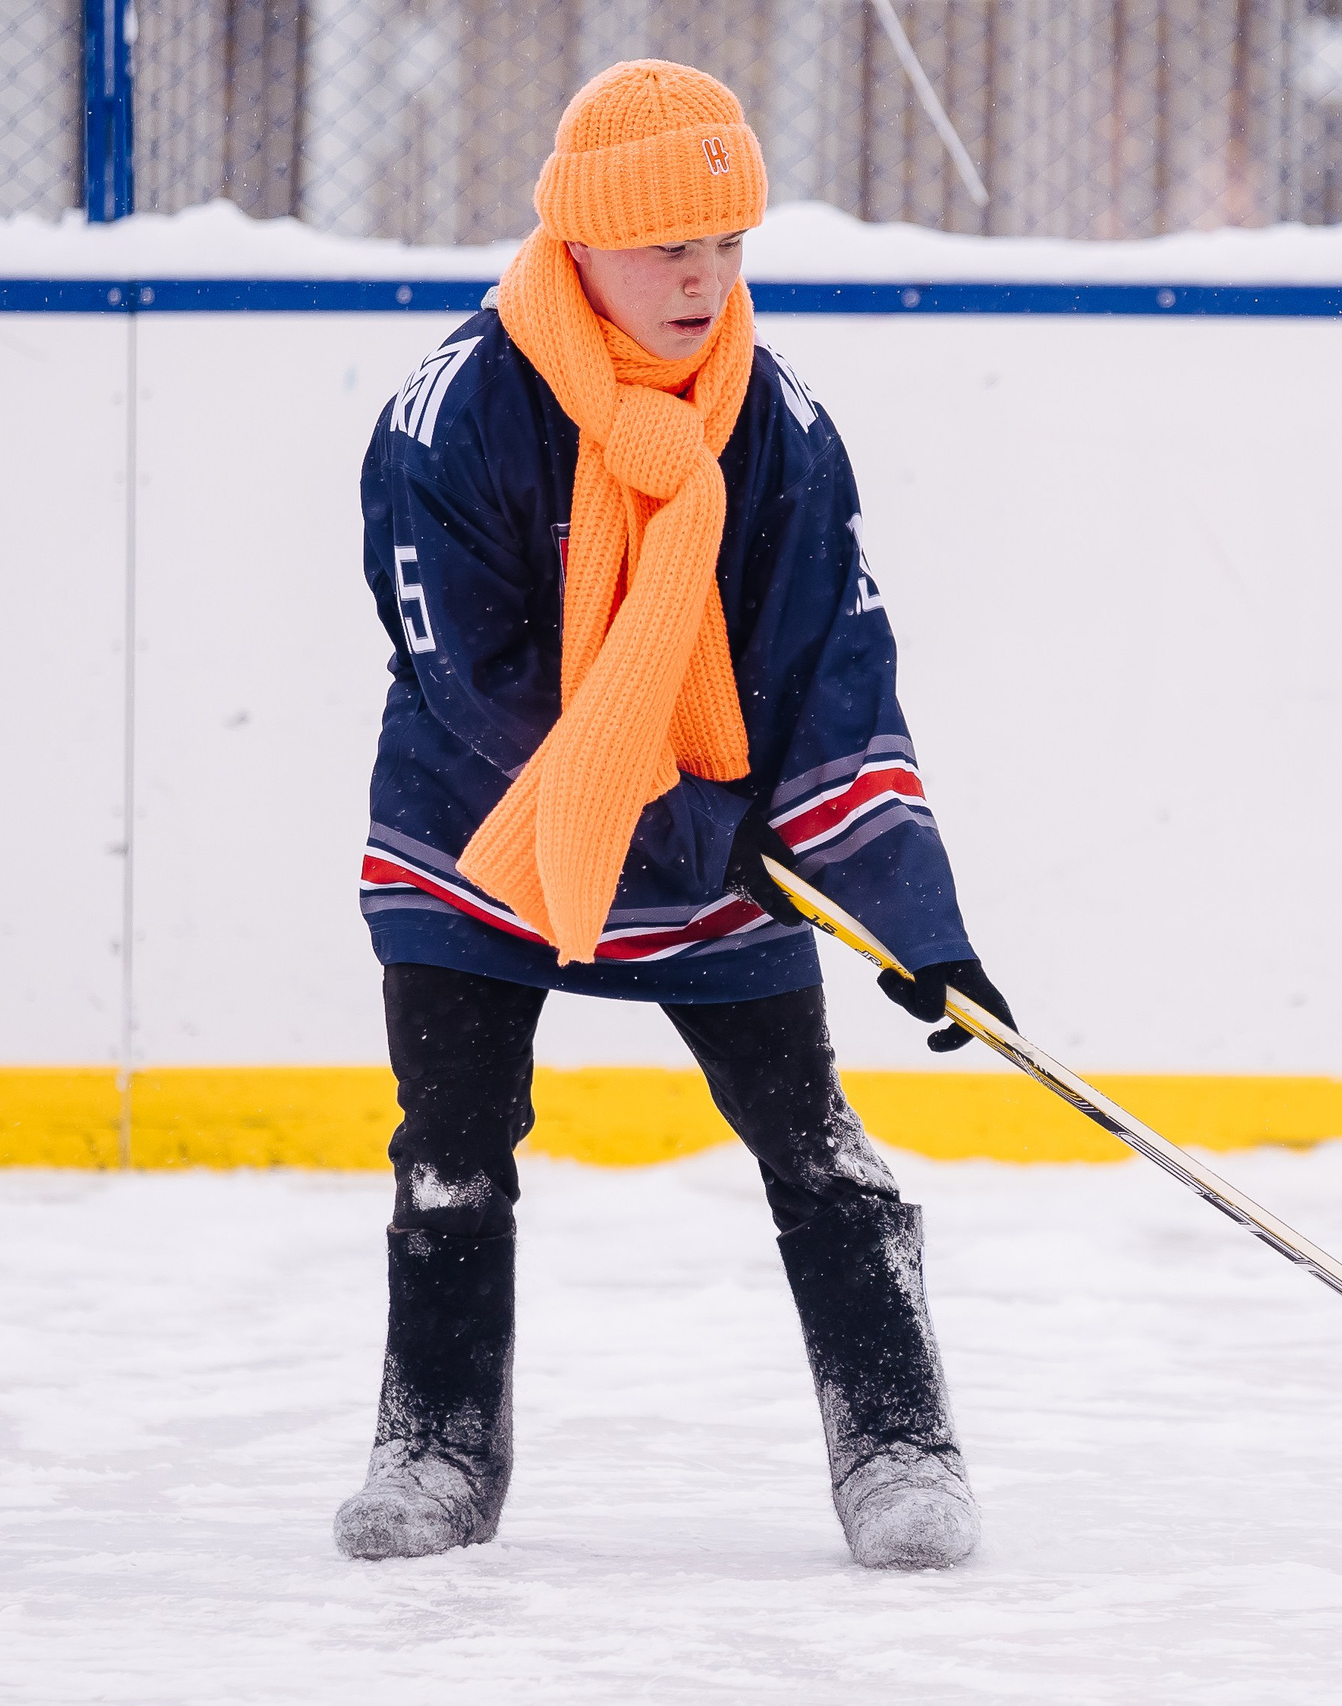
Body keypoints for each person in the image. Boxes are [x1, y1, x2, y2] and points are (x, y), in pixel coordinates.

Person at [334, 59, 1011, 1570]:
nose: (702, 279)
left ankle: (899, 1436)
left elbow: (834, 665)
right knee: (450, 1146)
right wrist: (679, 818)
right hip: (481, 846)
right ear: (579, 243)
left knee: (815, 1142)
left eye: (726, 243)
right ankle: (434, 1442)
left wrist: (918, 922)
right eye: (666, 247)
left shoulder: (776, 421)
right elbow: (476, 686)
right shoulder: (456, 417)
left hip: (712, 850)